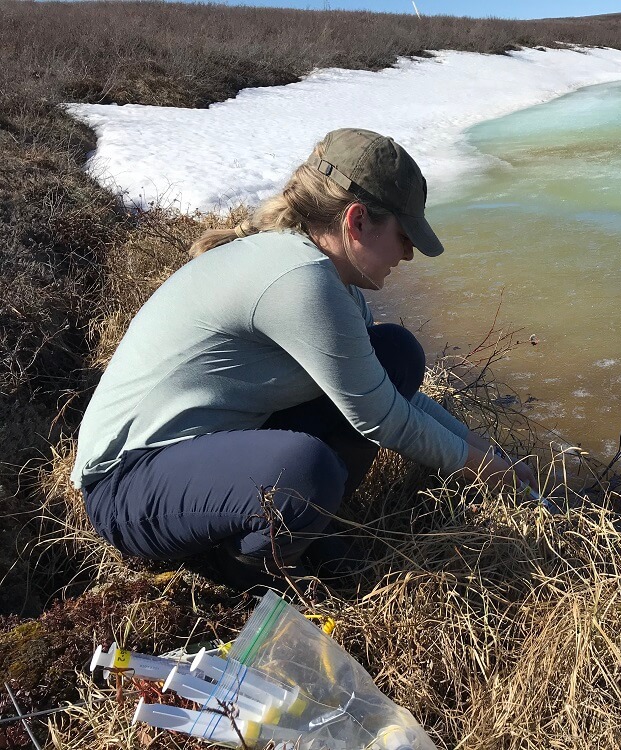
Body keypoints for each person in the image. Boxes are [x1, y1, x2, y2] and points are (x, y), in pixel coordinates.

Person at [71, 128, 537, 587]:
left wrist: (488, 452)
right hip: (127, 485)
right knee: (303, 471)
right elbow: (382, 419)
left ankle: (300, 523)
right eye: (403, 235)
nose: (409, 254)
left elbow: (381, 393)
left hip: (206, 450)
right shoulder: (300, 281)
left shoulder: (331, 280)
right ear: (356, 221)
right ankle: (240, 569)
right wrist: (490, 471)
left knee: (395, 354)